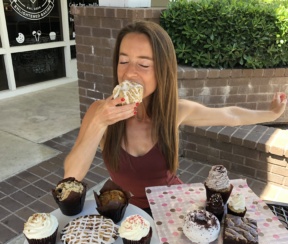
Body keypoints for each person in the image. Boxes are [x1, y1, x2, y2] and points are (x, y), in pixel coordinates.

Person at [64, 20, 287, 214]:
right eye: (123, 61)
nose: (130, 72)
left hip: (170, 202)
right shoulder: (99, 112)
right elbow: (71, 178)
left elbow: (229, 115)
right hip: (122, 205)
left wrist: (271, 113)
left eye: (143, 64)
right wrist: (99, 123)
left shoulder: (174, 112)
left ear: (162, 70)